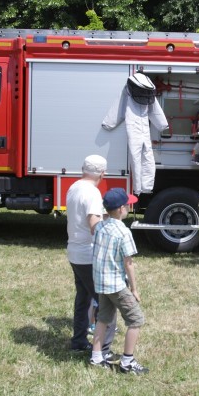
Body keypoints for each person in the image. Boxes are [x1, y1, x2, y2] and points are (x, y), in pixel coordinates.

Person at [90, 188, 148, 374]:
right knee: (136, 319)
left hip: (100, 282)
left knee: (103, 318)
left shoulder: (100, 225)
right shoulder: (123, 232)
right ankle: (127, 362)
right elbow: (128, 263)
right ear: (122, 209)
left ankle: (96, 357)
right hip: (116, 284)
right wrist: (134, 288)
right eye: (128, 204)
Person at [66, 155, 116, 356]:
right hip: (89, 254)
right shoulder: (93, 193)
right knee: (106, 303)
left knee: (83, 298)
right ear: (102, 174)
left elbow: (84, 215)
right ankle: (103, 349)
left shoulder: (74, 187)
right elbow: (94, 225)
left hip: (74, 251)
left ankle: (78, 341)